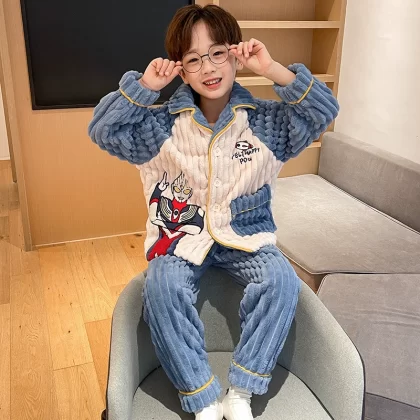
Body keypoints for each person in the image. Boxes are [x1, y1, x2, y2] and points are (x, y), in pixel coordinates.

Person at [88, 4, 339, 419]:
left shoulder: (266, 124)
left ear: (235, 55)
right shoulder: (159, 128)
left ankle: (242, 390)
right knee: (161, 286)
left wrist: (271, 69)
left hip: (247, 235)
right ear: (181, 70)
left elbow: (323, 110)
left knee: (280, 279)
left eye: (217, 52)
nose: (208, 67)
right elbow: (103, 130)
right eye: (193, 59)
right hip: (180, 238)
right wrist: (145, 87)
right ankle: (201, 396)